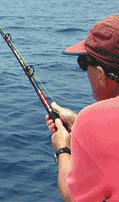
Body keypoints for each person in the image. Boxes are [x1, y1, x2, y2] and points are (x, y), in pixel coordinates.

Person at [46, 14, 119, 202]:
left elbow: (73, 197)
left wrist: (62, 149)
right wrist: (79, 128)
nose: (85, 71)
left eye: (84, 62)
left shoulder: (92, 119)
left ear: (102, 74)